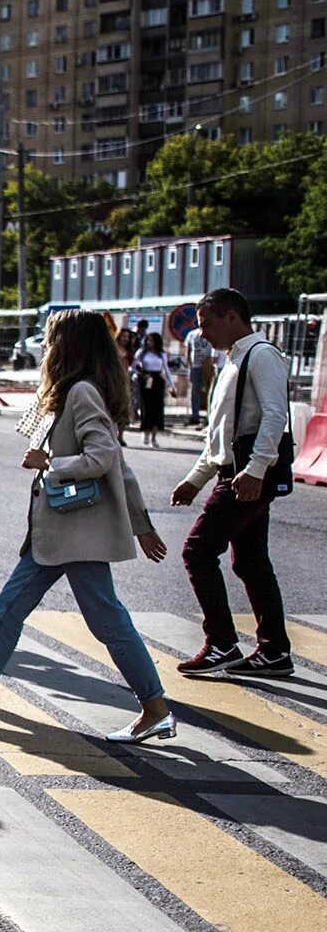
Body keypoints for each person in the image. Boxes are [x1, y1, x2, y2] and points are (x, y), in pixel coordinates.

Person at [0, 313, 173, 742]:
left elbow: (104, 458)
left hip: (75, 532)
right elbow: (123, 468)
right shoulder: (74, 391)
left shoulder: (80, 393)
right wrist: (141, 525)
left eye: (50, 339)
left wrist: (51, 464)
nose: (44, 347)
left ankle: (155, 708)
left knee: (107, 622)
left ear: (68, 345)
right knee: (8, 610)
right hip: (58, 533)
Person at [172, 288, 294, 680]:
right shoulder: (233, 360)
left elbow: (275, 416)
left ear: (231, 317)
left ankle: (222, 642)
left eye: (206, 323)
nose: (202, 333)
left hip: (246, 477)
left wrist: (257, 469)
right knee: (252, 562)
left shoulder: (261, 355)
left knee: (198, 550)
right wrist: (195, 480)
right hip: (237, 473)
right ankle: (274, 651)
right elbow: (221, 437)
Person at [133, 330, 168, 448]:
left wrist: (172, 386)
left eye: (152, 341)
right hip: (145, 380)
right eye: (148, 340)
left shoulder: (161, 354)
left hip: (157, 381)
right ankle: (145, 432)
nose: (150, 343)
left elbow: (166, 369)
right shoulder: (141, 353)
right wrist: (141, 373)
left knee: (157, 409)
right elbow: (133, 366)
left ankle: (154, 437)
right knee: (146, 408)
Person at [184, 322, 217, 426]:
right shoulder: (192, 334)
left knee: (209, 391)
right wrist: (189, 364)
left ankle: (209, 416)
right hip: (195, 365)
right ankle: (195, 416)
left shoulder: (211, 333)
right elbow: (188, 349)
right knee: (195, 391)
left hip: (207, 365)